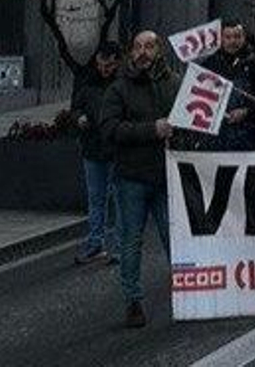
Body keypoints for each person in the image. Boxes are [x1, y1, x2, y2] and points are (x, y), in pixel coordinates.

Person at [98, 30, 179, 329]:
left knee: (176, 241)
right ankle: (133, 300)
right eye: (138, 47)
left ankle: (185, 294)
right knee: (131, 242)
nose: (144, 52)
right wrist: (151, 130)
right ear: (132, 53)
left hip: (165, 178)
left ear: (158, 50)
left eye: (150, 46)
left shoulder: (173, 83)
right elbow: (109, 129)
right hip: (131, 178)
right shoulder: (119, 89)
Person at [71, 41, 120, 265]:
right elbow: (75, 107)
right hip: (92, 148)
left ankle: (120, 246)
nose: (104, 69)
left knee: (119, 200)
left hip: (117, 150)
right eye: (101, 64)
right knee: (96, 199)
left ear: (117, 63)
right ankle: (95, 243)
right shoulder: (88, 83)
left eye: (109, 65)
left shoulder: (123, 84)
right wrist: (78, 117)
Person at [190, 20, 255, 152]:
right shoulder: (209, 64)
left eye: (237, 36)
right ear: (220, 39)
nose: (233, 41)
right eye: (228, 37)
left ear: (244, 38)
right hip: (214, 139)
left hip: (248, 138)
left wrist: (247, 112)